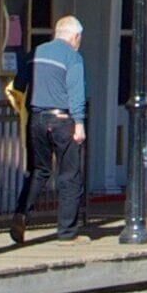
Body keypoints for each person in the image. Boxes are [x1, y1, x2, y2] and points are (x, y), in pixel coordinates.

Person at [30, 15, 89, 240]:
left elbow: (22, 83)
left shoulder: (36, 52)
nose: (79, 42)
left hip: (37, 118)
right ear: (74, 36)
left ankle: (21, 215)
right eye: (79, 38)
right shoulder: (73, 57)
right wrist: (79, 123)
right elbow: (76, 92)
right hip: (62, 120)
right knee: (69, 176)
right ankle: (67, 232)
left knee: (39, 170)